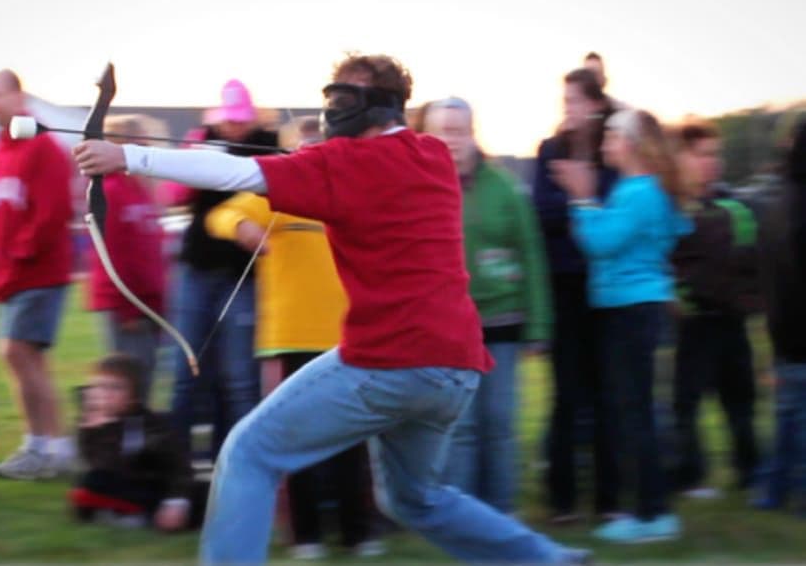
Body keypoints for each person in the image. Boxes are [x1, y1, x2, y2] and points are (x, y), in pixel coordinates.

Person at [74, 53, 592, 565]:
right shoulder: (431, 153)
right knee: (417, 499)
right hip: (454, 368)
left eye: (344, 98)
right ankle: (550, 560)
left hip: (389, 362)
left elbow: (234, 173)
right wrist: (318, 158)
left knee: (247, 453)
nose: (332, 108)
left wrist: (128, 158)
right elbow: (360, 174)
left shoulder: (344, 165)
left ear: (377, 106)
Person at [206, 116, 382, 559]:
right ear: (287, 156)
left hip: (347, 336)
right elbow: (223, 214)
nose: (313, 155)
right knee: (294, 436)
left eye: (320, 146)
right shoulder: (276, 195)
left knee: (350, 437)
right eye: (303, 148)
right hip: (289, 337)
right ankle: (306, 534)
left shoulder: (352, 192)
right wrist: (241, 227)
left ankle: (358, 531)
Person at [551, 108, 691, 543]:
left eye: (611, 136)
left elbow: (600, 242)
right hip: (634, 309)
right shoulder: (644, 191)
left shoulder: (638, 192)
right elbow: (672, 232)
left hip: (630, 312)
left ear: (630, 144)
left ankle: (653, 515)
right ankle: (648, 509)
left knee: (634, 414)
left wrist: (581, 198)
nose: (605, 144)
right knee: (632, 411)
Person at [422, 97, 552, 513]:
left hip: (503, 324)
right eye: (443, 131)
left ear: (473, 133)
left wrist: (539, 326)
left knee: (499, 424)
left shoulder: (504, 186)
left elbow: (531, 252)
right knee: (461, 428)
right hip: (448, 331)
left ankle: (502, 514)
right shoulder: (420, 188)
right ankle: (464, 517)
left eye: (459, 131)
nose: (452, 140)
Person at [166, 79, 277, 460]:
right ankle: (177, 466)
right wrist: (194, 154)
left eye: (240, 119)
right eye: (229, 119)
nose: (233, 126)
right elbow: (175, 194)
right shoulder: (203, 139)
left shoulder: (270, 143)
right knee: (186, 371)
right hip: (197, 269)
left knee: (240, 378)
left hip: (244, 274)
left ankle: (238, 459)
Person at [533, 68, 618, 523]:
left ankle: (607, 501)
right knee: (567, 397)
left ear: (597, 105)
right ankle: (562, 502)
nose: (568, 109)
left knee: (606, 395)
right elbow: (542, 213)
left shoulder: (612, 154)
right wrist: (582, 203)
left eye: (576, 101)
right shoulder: (550, 150)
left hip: (605, 288)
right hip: (564, 287)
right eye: (564, 100)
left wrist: (582, 195)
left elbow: (615, 209)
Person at [0, 69, 75, 479]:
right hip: (11, 276)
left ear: (19, 97)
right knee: (22, 357)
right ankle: (40, 445)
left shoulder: (42, 147)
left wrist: (18, 258)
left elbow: (52, 213)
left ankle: (51, 447)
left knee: (18, 353)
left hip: (38, 272)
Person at [670, 119, 761, 497]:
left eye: (715, 154)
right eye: (703, 154)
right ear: (683, 158)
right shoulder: (673, 209)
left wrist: (747, 300)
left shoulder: (734, 207)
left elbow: (750, 261)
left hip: (731, 323)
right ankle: (689, 474)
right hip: (694, 324)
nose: (712, 162)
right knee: (685, 404)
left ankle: (751, 472)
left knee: (740, 403)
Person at [86, 114, 166, 403]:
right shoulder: (111, 190)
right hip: (125, 306)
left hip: (146, 304)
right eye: (138, 142)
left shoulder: (141, 191)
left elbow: (151, 251)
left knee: (144, 379)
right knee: (127, 384)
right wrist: (128, 307)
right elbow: (113, 252)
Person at [70, 353, 193, 531]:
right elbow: (100, 466)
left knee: (197, 496)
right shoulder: (91, 425)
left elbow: (178, 467)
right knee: (89, 483)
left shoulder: (153, 424)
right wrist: (100, 430)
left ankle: (139, 515)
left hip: (151, 487)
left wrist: (176, 502)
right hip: (119, 485)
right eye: (99, 387)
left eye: (115, 388)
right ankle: (126, 514)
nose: (105, 395)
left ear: (133, 397)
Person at [752, 119, 806, 515]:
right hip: (801, 330)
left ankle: (770, 492)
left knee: (786, 417)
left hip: (781, 329)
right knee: (799, 421)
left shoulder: (778, 200)